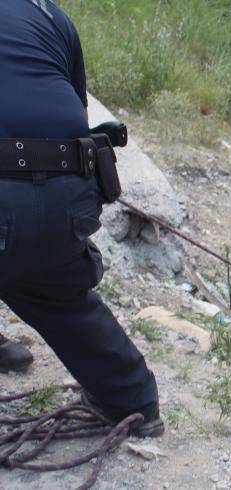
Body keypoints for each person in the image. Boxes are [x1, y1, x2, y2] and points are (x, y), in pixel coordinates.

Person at [0, 0, 162, 436]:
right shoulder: (48, 14)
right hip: (67, 194)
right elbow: (75, 111)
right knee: (55, 289)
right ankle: (135, 403)